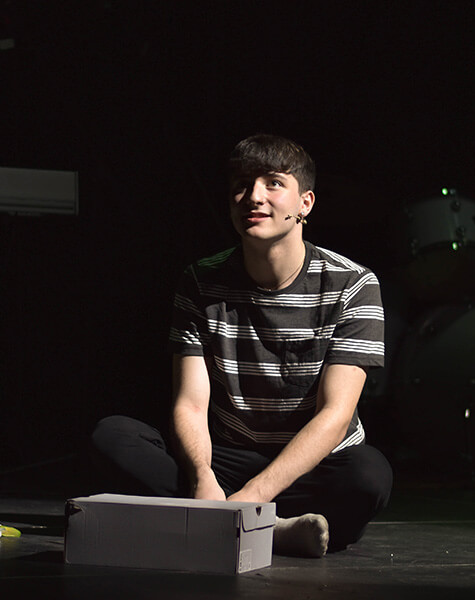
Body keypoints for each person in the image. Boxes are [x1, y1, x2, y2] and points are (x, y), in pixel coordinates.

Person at [92, 134, 393, 557]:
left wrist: (254, 494)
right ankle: (270, 532)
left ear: (305, 203)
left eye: (272, 183)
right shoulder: (200, 281)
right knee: (115, 437)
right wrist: (203, 478)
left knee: (368, 476)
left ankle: (217, 524)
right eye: (242, 184)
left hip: (311, 467)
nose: (253, 196)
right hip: (229, 458)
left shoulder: (352, 284)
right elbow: (191, 404)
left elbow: (335, 416)